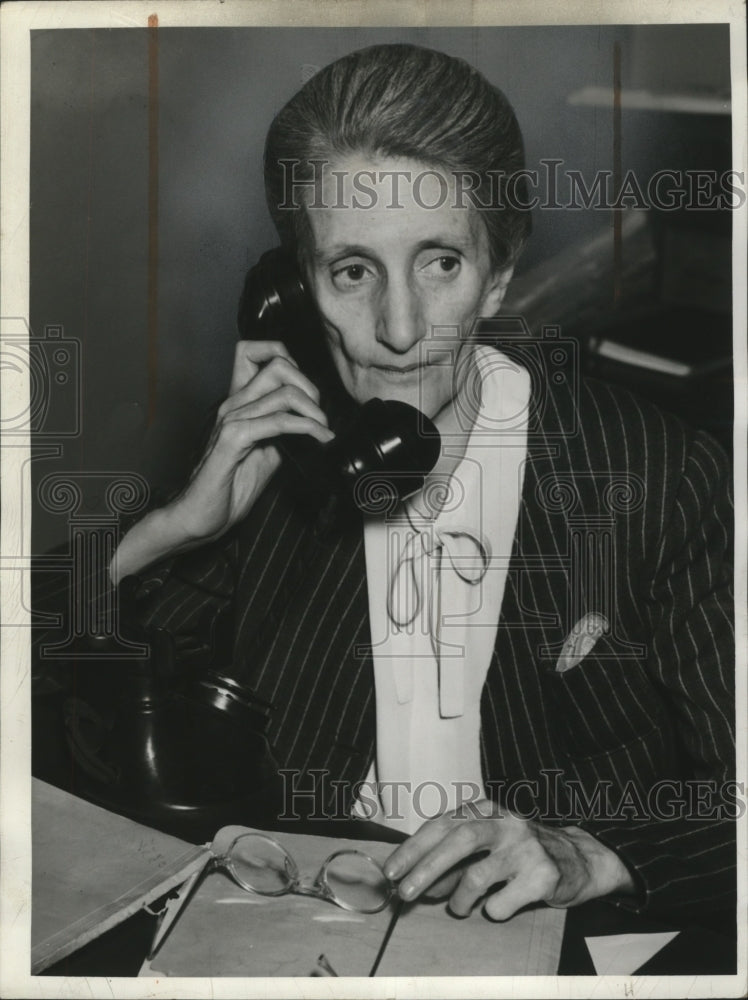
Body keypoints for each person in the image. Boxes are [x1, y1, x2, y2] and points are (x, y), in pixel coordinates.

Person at [110, 44, 735, 924]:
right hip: (303, 931)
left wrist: (595, 853)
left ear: (499, 275)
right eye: (353, 270)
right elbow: (60, 688)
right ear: (295, 289)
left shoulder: (662, 477)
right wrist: (178, 525)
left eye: (440, 263)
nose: (399, 330)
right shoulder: (281, 469)